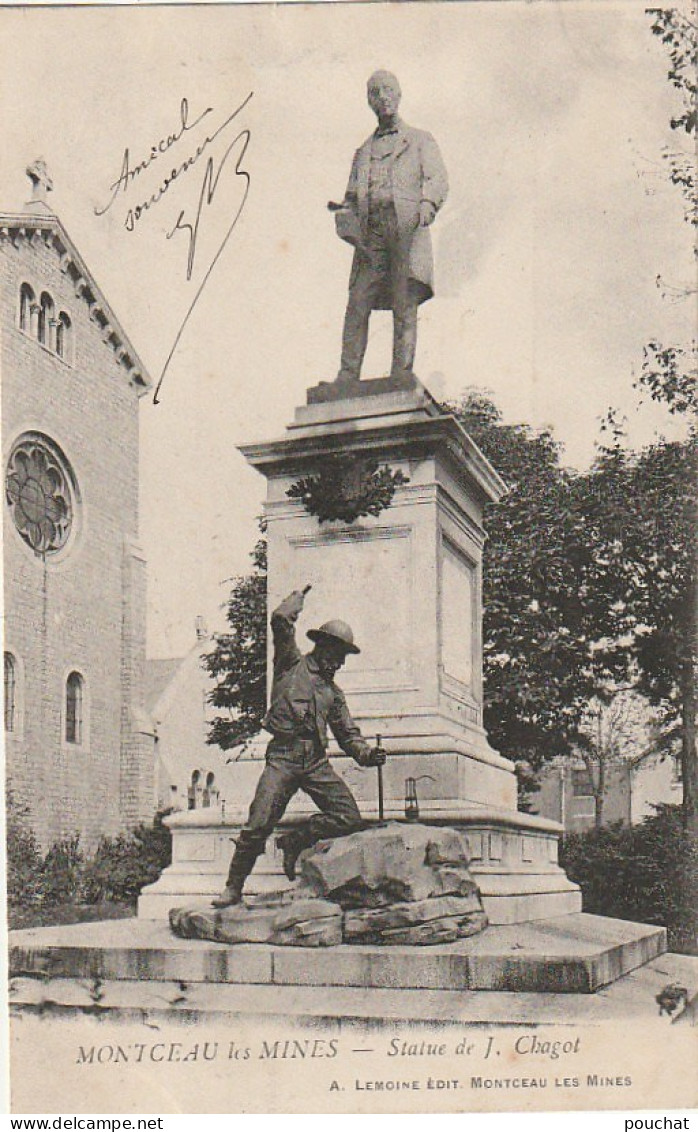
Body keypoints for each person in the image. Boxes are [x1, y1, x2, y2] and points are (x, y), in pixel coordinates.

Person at [213, 585, 386, 907]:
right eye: (338, 655)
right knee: (258, 824)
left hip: (315, 761)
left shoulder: (334, 693)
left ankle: (294, 842)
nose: (341, 663)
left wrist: (367, 754)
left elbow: (348, 734)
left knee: (348, 817)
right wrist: (297, 599)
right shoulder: (291, 664)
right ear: (322, 646)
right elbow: (280, 619)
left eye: (345, 657)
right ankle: (233, 888)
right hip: (283, 757)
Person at [333, 70, 448, 384]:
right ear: (369, 101)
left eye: (388, 90)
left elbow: (437, 178)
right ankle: (347, 373)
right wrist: (345, 215)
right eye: (375, 92)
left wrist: (428, 205)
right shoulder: (363, 152)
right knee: (358, 301)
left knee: (404, 300)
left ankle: (401, 371)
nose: (383, 97)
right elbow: (352, 197)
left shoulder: (420, 140)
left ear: (399, 95)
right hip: (371, 236)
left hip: (406, 229)